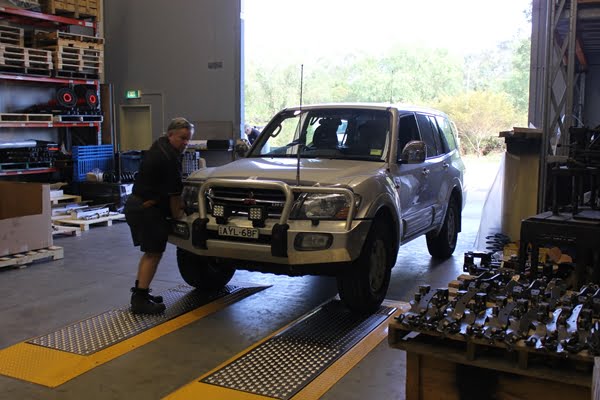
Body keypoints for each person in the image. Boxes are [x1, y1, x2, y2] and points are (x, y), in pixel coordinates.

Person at [124, 117, 194, 314]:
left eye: (188, 139)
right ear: (170, 135)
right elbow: (174, 197)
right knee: (153, 254)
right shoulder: (168, 158)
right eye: (182, 138)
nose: (186, 143)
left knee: (151, 253)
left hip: (140, 205)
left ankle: (142, 293)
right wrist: (179, 216)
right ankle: (139, 299)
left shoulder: (160, 146)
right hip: (146, 209)